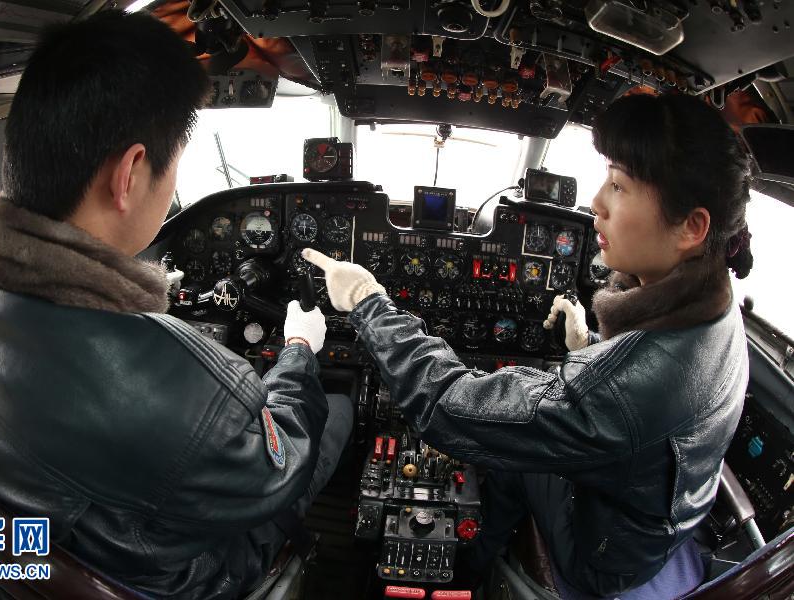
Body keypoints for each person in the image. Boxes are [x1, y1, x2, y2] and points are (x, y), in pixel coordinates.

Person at [0, 11, 350, 599]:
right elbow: (277, 468)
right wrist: (301, 348)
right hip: (181, 577)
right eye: (174, 161)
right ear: (129, 174)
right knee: (335, 407)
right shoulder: (182, 388)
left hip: (40, 558)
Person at [304, 93, 753, 598]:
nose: (597, 204)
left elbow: (453, 405)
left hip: (607, 555)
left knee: (506, 454)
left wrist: (367, 301)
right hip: (646, 517)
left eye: (620, 185)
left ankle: (471, 563)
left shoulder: (633, 388)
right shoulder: (716, 308)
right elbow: (632, 396)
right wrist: (588, 345)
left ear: (693, 227)